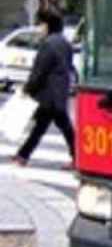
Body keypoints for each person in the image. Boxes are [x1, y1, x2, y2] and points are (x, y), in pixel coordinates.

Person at [10, 10, 75, 168]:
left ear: (48, 25)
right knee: (46, 126)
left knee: (50, 127)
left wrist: (28, 88)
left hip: (48, 95)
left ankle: (23, 156)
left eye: (41, 24)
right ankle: (23, 155)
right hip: (59, 93)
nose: (40, 28)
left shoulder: (48, 44)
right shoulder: (65, 43)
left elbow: (39, 71)